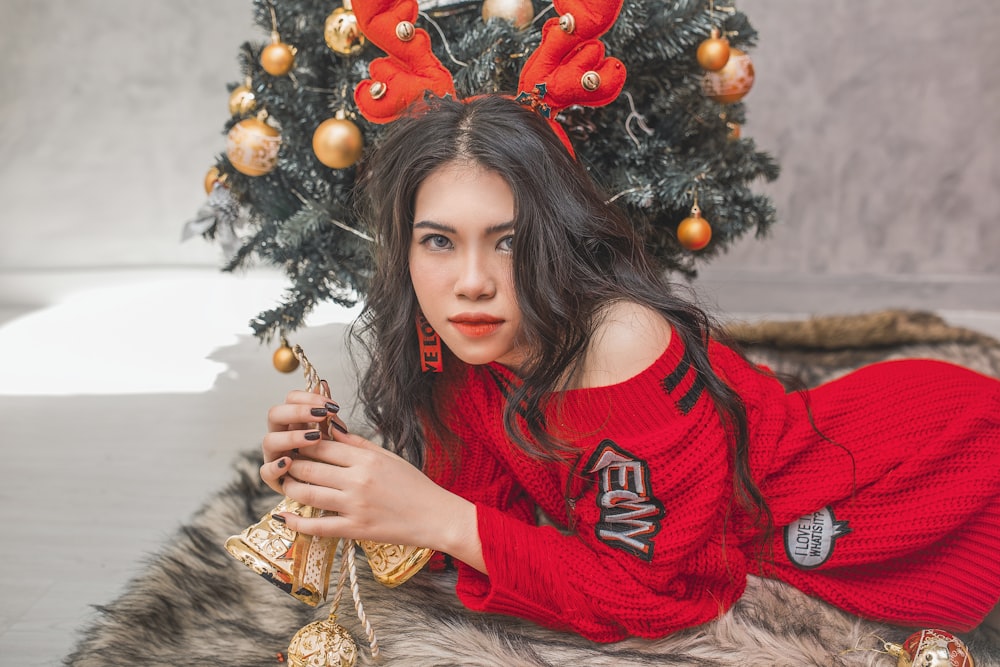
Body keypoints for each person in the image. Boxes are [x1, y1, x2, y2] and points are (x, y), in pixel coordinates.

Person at [260, 95, 1000, 643]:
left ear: (554, 239)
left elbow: (657, 594)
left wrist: (441, 516)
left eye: (509, 241)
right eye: (439, 241)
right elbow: (486, 523)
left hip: (922, 472)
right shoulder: (457, 339)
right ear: (407, 249)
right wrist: (335, 471)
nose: (472, 281)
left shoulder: (620, 344)